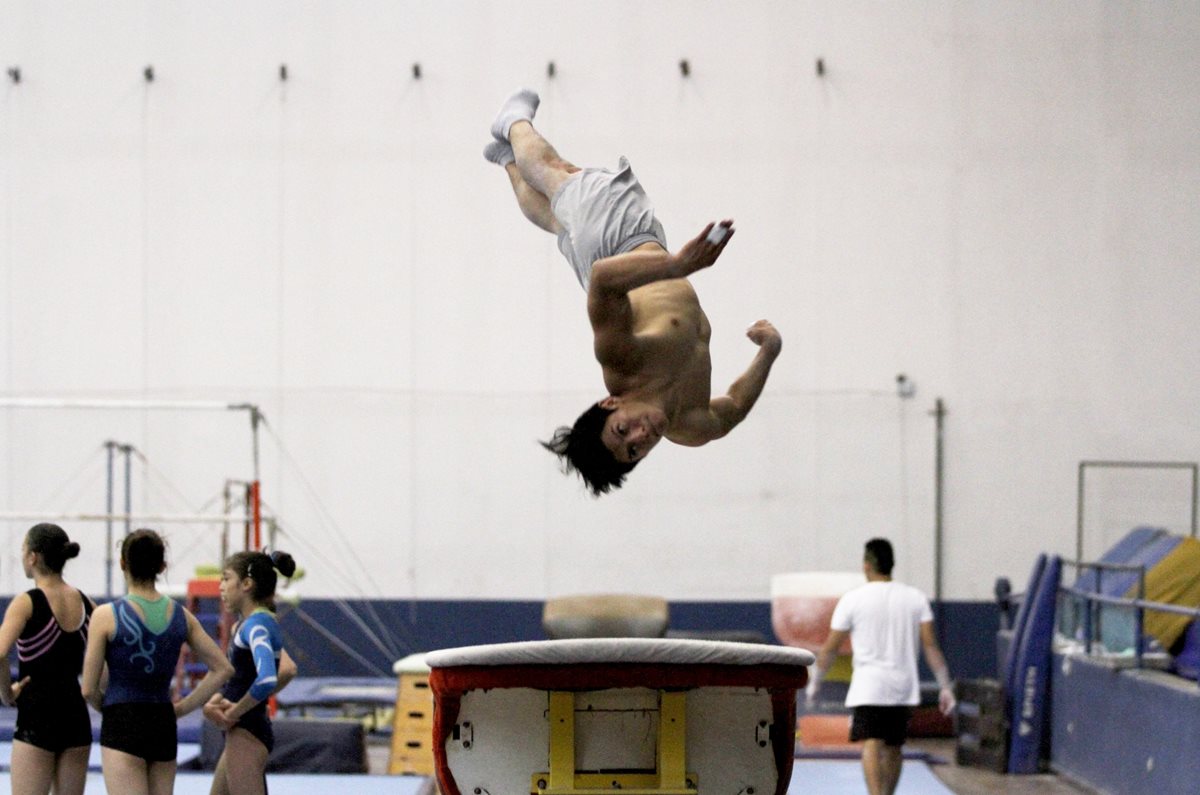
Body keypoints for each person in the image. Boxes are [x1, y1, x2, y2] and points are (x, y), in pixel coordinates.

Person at [485, 89, 783, 495]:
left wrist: (679, 265)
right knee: (557, 219)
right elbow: (732, 409)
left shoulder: (624, 364)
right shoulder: (690, 424)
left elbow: (604, 280)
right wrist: (769, 352)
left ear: (611, 404)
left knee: (556, 172)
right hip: (634, 255)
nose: (641, 436)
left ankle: (512, 124)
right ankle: (506, 158)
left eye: (622, 430)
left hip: (621, 245)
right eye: (633, 451)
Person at [81, 529, 235, 795]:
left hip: (122, 720)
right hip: (162, 721)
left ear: (123, 564)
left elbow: (88, 689)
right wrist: (183, 707)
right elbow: (223, 669)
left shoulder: (106, 616)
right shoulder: (181, 616)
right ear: (162, 567)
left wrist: (107, 708)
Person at [807, 538, 956, 795]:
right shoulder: (915, 598)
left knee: (872, 743)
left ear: (866, 565)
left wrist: (814, 682)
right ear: (891, 564)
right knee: (894, 746)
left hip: (870, 687)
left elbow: (831, 648)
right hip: (902, 687)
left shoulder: (853, 599)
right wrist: (945, 686)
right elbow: (931, 646)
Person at [0, 524, 95, 795]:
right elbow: (108, 658)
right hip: (76, 717)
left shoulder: (26, 602)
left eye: (23, 550)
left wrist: (6, 694)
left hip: (37, 717)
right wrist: (97, 697)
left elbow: (0, 652)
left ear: (33, 557)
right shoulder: (87, 603)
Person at [204, 550, 298, 795]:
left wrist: (234, 711)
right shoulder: (247, 625)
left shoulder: (257, 626)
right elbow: (240, 679)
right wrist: (219, 700)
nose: (221, 586)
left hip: (246, 729)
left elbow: (267, 678)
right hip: (242, 728)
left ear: (246, 584)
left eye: (226, 579)